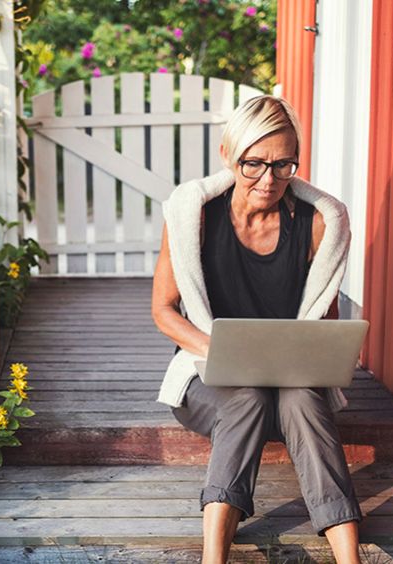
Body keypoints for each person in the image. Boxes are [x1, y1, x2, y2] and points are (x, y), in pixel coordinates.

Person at [150, 95, 363, 564]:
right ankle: (214, 559)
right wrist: (221, 351)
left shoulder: (317, 224)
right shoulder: (194, 215)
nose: (269, 179)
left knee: (305, 399)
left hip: (287, 382)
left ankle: (351, 560)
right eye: (254, 164)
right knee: (246, 395)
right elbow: (164, 311)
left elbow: (321, 317)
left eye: (284, 164)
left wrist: (322, 355)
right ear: (228, 155)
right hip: (209, 379)